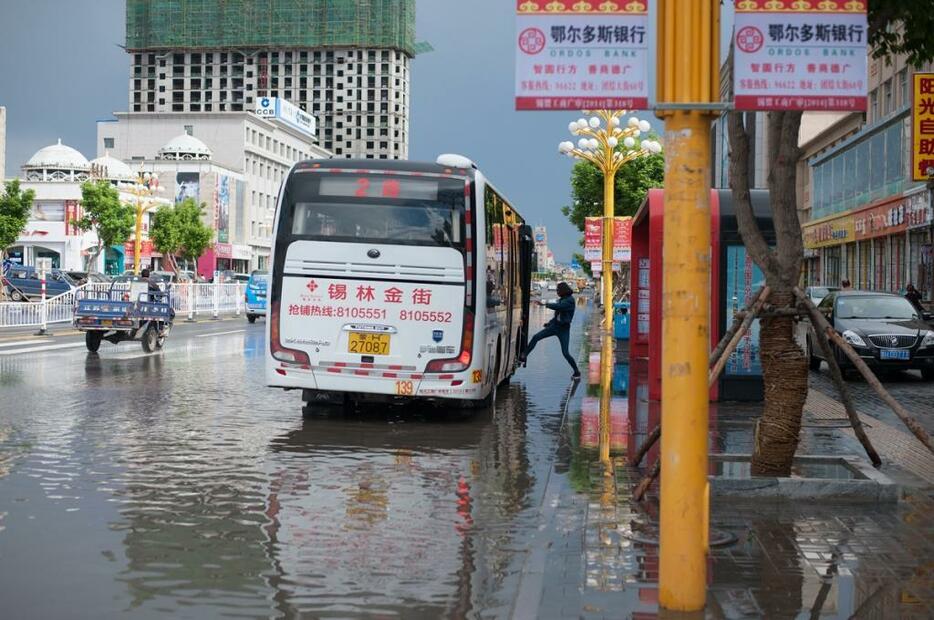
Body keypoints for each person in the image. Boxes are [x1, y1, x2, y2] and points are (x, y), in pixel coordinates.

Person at [520, 281, 581, 378]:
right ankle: (524, 355)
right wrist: (549, 323)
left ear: (563, 290)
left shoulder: (570, 300)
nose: (557, 292)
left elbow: (560, 307)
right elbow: (557, 315)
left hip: (563, 329)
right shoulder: (562, 299)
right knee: (536, 337)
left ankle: (576, 371)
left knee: (565, 353)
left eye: (558, 290)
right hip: (554, 326)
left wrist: (545, 304)